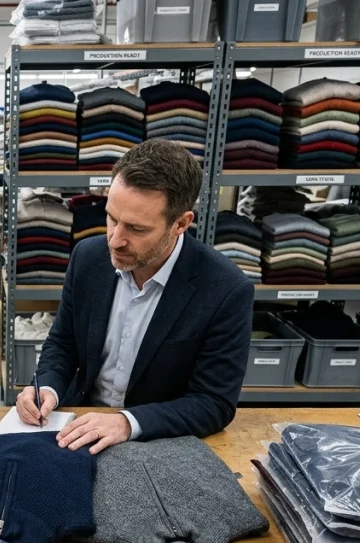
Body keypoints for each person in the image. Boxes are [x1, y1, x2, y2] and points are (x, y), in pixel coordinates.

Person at [16, 138, 253, 449]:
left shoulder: (225, 290)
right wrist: (47, 386)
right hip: (79, 422)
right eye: (112, 218)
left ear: (180, 223)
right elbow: (64, 342)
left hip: (158, 441)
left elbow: (213, 403)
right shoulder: (88, 257)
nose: (115, 240)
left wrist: (127, 423)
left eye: (137, 229)